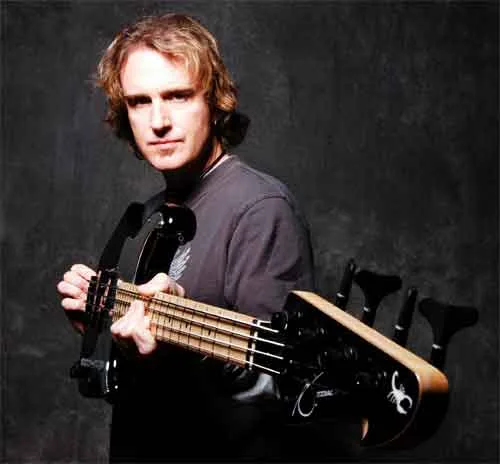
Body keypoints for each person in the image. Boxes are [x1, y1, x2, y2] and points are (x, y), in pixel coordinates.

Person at [57, 12, 356, 462]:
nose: (159, 121)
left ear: (214, 102)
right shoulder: (152, 215)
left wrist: (181, 336)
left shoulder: (260, 208)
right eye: (139, 102)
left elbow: (280, 383)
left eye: (177, 96)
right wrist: (102, 315)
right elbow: (143, 370)